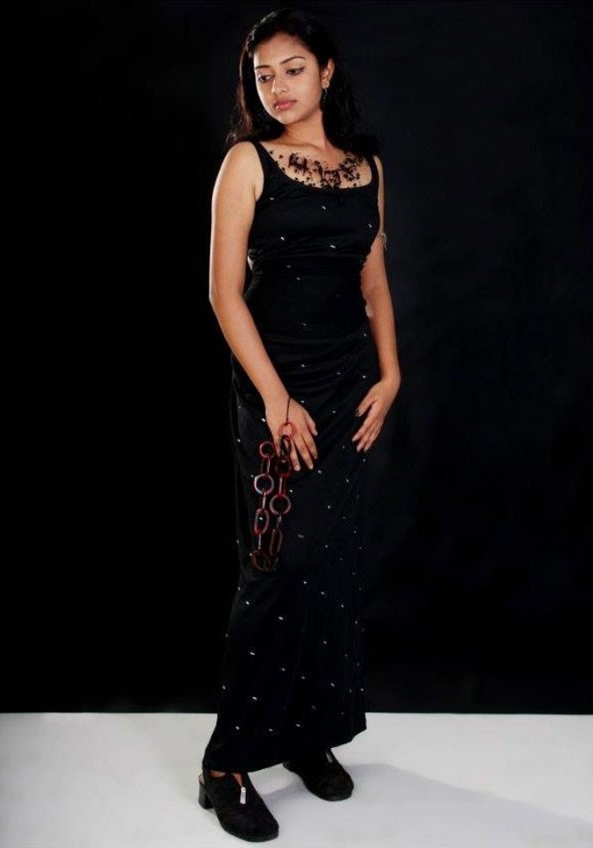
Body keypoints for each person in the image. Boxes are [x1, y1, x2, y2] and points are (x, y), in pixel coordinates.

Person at [198, 7, 401, 841]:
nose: (276, 87)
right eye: (262, 75)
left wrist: (392, 373)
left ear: (325, 72)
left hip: (347, 385)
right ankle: (225, 764)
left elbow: (373, 278)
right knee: (276, 567)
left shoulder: (364, 167)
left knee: (330, 568)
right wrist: (277, 400)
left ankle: (306, 733)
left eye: (291, 69)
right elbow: (223, 294)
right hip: (274, 387)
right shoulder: (246, 163)